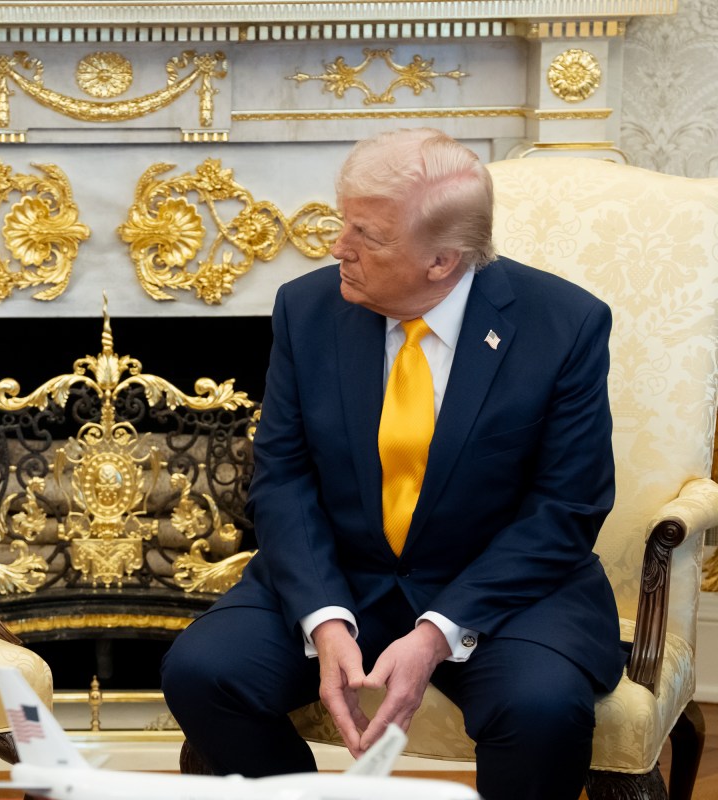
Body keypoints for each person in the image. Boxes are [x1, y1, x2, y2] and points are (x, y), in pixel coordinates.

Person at [161, 128, 627, 800]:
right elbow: (284, 478)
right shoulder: (307, 309)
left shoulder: (565, 325)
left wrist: (439, 631)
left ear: (442, 260)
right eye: (343, 221)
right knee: (203, 671)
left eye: (366, 236)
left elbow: (567, 509)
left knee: (541, 708)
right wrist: (324, 618)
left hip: (504, 591)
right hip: (345, 576)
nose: (336, 248)